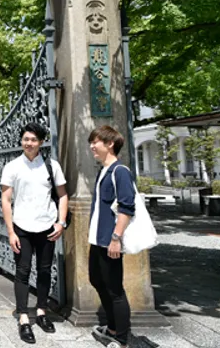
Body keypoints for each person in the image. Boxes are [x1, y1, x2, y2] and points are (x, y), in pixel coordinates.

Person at [0, 122, 69, 344]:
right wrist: (10, 231)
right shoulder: (12, 167)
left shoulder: (52, 166)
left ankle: (41, 311)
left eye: (33, 140)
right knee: (22, 271)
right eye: (26, 139)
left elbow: (63, 195)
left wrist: (61, 222)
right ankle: (23, 317)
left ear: (41, 142)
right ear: (21, 141)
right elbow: (6, 200)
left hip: (47, 226)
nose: (29, 143)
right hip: (22, 226)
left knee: (45, 270)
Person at [88, 125, 135, 348]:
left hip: (110, 240)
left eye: (95, 142)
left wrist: (116, 238)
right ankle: (113, 327)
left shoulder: (120, 172)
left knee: (115, 290)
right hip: (97, 240)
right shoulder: (103, 172)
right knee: (97, 280)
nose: (92, 146)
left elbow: (127, 207)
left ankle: (122, 340)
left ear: (110, 144)